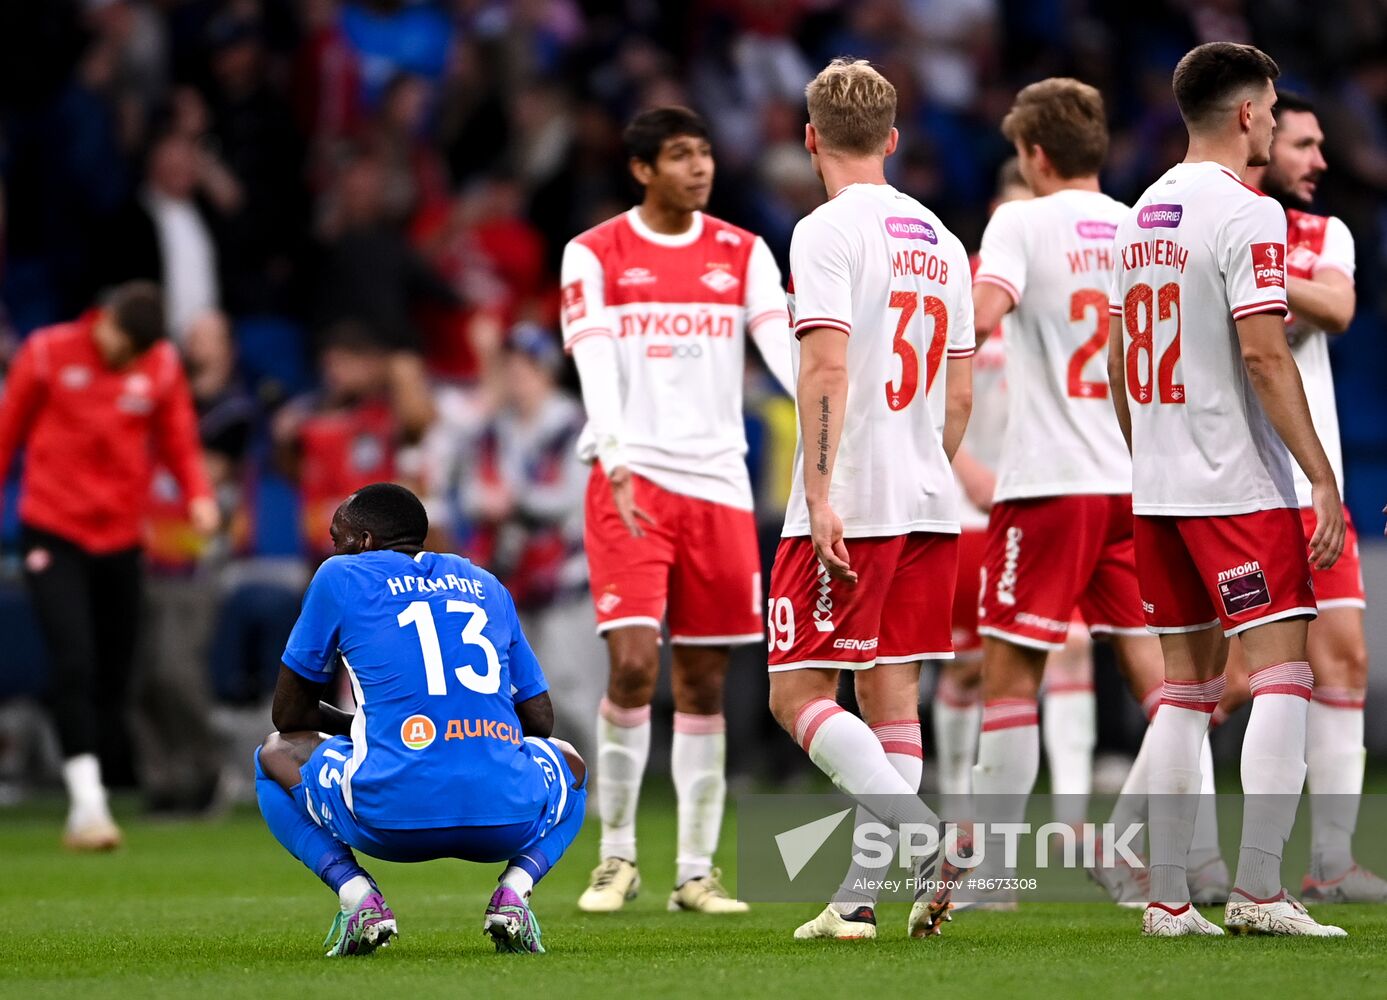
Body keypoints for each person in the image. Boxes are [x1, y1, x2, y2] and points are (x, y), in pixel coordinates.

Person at [1108, 42, 1346, 937]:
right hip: (1234, 483)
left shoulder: (1140, 214)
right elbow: (1260, 348)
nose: (1277, 119)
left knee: (1185, 692)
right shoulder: (1247, 215)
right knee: (1284, 675)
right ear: (1248, 115)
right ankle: (1258, 892)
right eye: (1274, 105)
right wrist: (1317, 473)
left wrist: (1147, 458)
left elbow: (1120, 360)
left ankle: (1166, 900)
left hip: (1160, 484)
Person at [559, 106, 792, 914]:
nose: (699, 168)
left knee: (702, 678)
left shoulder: (743, 251)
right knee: (631, 662)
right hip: (632, 482)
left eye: (704, 153)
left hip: (720, 487)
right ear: (642, 169)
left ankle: (694, 871)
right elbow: (591, 356)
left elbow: (785, 351)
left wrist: (842, 424)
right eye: (680, 156)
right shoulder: (594, 254)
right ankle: (614, 856)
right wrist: (613, 448)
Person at [764, 58, 974, 941]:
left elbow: (822, 365)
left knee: (793, 691)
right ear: (890, 139)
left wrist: (820, 491)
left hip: (851, 495)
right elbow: (960, 392)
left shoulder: (823, 230)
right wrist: (924, 466)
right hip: (928, 497)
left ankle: (926, 839)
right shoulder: (942, 238)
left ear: (810, 137)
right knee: (891, 698)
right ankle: (856, 899)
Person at [966, 78, 1168, 903]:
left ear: (1033, 154)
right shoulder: (1138, 226)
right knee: (1171, 687)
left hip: (1047, 485)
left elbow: (978, 315)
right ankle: (1136, 853)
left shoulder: (1017, 220)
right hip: (1137, 485)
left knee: (1009, 676)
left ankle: (995, 875)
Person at [254, 483, 586, 957]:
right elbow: (539, 718)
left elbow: (288, 715)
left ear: (363, 542)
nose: (332, 549)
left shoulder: (341, 576)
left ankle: (357, 897)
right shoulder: (487, 583)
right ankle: (515, 891)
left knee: (272, 753)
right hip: (505, 818)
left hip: (388, 820)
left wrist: (372, 729)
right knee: (571, 763)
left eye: (337, 538)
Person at [1213, 92, 1383, 903]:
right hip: (1233, 485)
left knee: (1342, 656)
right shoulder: (1216, 217)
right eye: (1304, 144)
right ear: (1263, 140)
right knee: (1220, 681)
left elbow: (1339, 307)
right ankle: (1135, 838)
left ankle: (1330, 862)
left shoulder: (1325, 233)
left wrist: (1259, 274)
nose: (1319, 161)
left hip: (1319, 489)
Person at [0, 281, 219, 849]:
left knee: (114, 674)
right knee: (72, 658)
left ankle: (96, 787)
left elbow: (179, 441)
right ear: (104, 319)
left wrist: (197, 495)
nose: (124, 357)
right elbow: (6, 435)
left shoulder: (161, 364)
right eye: (121, 342)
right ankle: (88, 803)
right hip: (52, 529)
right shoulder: (48, 352)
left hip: (121, 537)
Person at [932, 158, 1029, 800]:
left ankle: (1059, 818)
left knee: (1028, 662)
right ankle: (954, 803)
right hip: (965, 506)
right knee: (968, 665)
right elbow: (930, 388)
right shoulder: (962, 286)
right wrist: (965, 469)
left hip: (1030, 502)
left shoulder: (1062, 296)